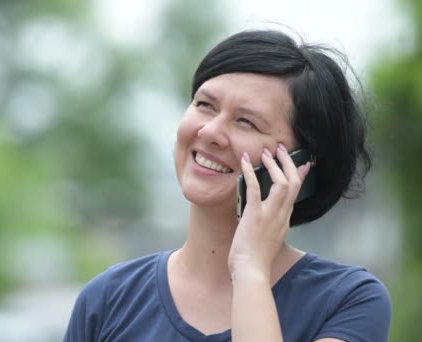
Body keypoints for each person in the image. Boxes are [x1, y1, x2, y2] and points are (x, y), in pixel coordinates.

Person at [63, 29, 391, 342]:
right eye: (205, 105)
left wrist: (249, 269)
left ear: (299, 164)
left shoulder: (348, 301)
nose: (209, 132)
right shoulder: (108, 299)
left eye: (245, 121)